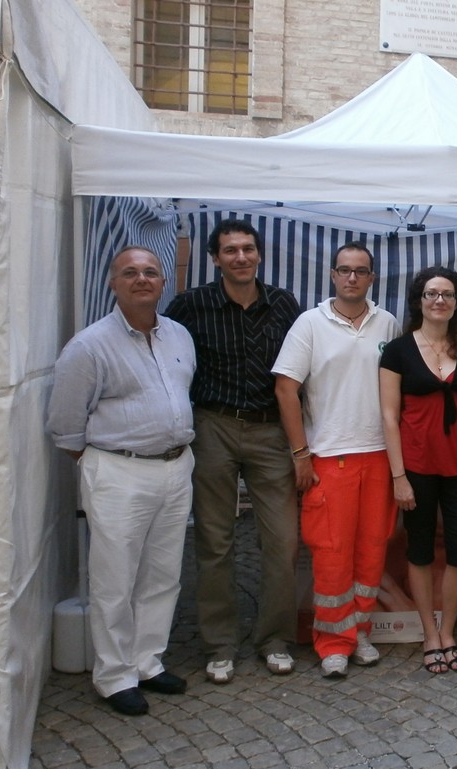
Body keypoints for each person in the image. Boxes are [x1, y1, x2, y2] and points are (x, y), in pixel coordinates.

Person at [47, 246, 196, 716]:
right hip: (119, 470)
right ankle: (114, 675)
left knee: (163, 573)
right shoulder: (89, 346)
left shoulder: (178, 335)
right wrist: (110, 462)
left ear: (163, 282)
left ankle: (147, 661)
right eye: (130, 273)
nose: (142, 280)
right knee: (114, 577)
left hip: (175, 467)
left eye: (150, 272)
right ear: (113, 282)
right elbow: (65, 425)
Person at [165, 219, 301, 684]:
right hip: (213, 425)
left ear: (259, 254)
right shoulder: (190, 305)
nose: (240, 257)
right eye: (230, 250)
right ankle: (219, 644)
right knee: (215, 540)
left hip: (269, 431)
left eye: (247, 248)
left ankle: (274, 638)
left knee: (282, 541)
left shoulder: (283, 303)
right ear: (215, 257)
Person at [273, 242, 400, 678]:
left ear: (371, 278)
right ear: (332, 275)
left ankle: (358, 630)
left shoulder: (388, 324)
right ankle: (331, 642)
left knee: (371, 550)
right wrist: (300, 453)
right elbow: (286, 389)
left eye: (360, 271)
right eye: (344, 270)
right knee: (331, 552)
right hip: (331, 456)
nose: (352, 278)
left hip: (379, 456)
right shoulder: (310, 324)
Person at [379, 266, 457, 674]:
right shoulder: (398, 351)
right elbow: (389, 416)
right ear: (419, 301)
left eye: (447, 294)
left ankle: (449, 632)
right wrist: (398, 476)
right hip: (417, 467)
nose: (439, 300)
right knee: (420, 550)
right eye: (431, 294)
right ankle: (429, 633)